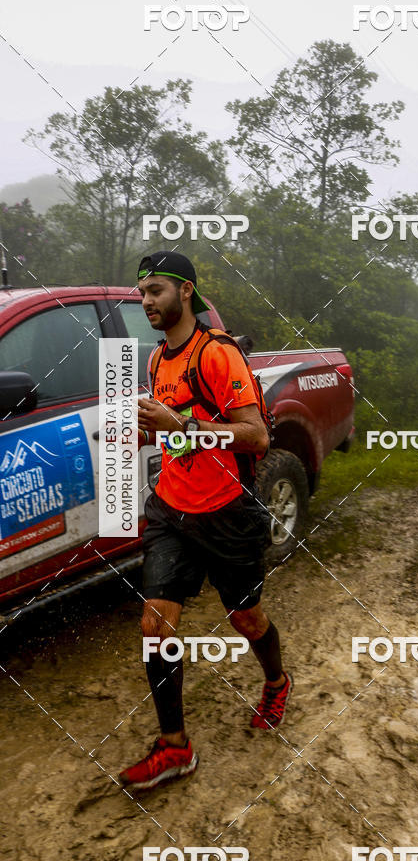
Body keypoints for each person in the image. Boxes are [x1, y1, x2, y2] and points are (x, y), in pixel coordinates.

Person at [118, 250, 292, 791]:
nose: (146, 301)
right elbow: (174, 435)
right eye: (142, 292)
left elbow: (256, 436)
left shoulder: (216, 356)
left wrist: (180, 423)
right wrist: (146, 433)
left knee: (247, 620)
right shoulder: (157, 362)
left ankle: (277, 680)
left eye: (157, 292)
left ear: (186, 292)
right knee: (155, 625)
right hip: (172, 509)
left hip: (226, 513)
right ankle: (175, 748)